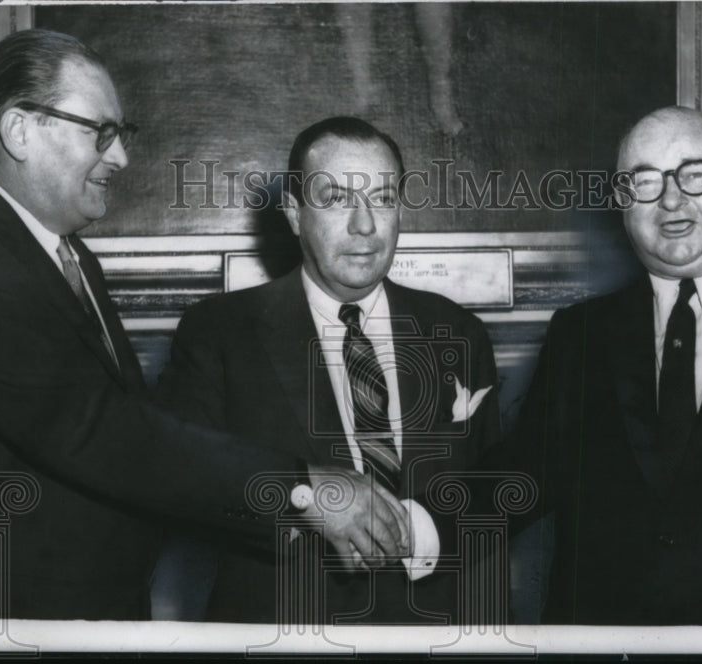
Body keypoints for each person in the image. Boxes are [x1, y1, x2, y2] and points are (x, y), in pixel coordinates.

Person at [0, 31, 407, 621]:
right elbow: (99, 431)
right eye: (99, 132)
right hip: (11, 624)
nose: (120, 158)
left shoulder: (67, 256)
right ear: (20, 131)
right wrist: (303, 489)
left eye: (121, 133)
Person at [155, 116, 502, 623]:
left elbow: (493, 494)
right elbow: (184, 479)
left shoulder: (458, 331)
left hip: (437, 634)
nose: (365, 225)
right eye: (337, 199)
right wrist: (301, 497)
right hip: (284, 635)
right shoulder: (220, 332)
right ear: (294, 213)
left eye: (382, 198)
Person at [504, 106, 702, 625]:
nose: (671, 199)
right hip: (610, 645)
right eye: (645, 181)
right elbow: (524, 475)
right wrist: (409, 526)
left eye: (695, 174)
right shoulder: (579, 333)